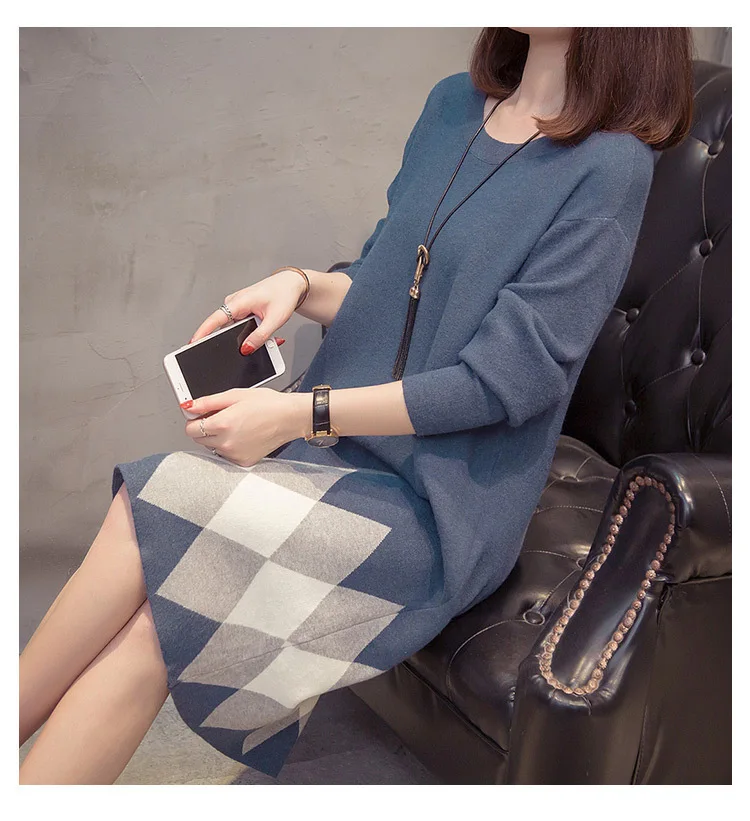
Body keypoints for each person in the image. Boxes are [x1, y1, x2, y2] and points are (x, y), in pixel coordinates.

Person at [19, 27, 693, 784]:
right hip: (341, 452)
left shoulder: (609, 166)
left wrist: (298, 415)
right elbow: (384, 284)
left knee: (151, 526)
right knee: (156, 591)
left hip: (438, 508)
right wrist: (300, 285)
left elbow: (501, 381)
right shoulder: (452, 106)